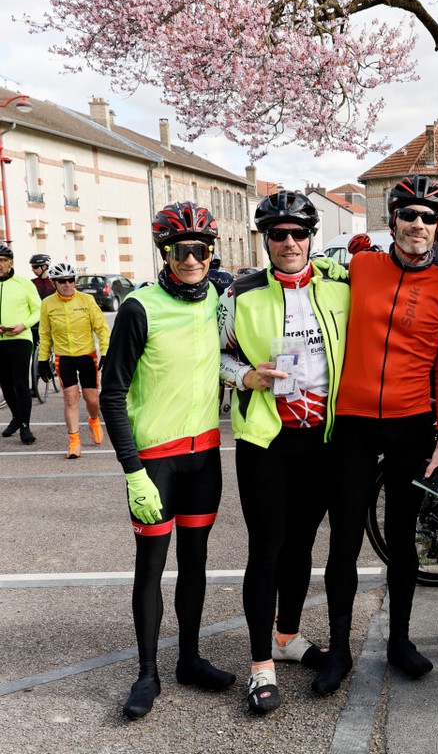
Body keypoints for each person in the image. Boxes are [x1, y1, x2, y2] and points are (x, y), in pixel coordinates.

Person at [315, 174, 438, 695]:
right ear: (393, 220)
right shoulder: (361, 267)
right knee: (345, 538)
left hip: (411, 424)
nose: (418, 224)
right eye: (409, 214)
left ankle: (399, 640)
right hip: (353, 422)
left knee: (402, 537)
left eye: (428, 217)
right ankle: (338, 649)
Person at [101, 202, 235, 720]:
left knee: (195, 563)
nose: (192, 259)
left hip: (204, 458)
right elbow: (112, 394)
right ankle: (146, 674)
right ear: (165, 254)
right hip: (154, 463)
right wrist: (132, 471)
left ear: (211, 252)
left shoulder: (218, 298)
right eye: (181, 251)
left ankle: (190, 660)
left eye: (200, 249)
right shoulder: (140, 307)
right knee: (152, 568)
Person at [218, 190, 350, 714]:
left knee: (302, 545)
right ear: (266, 240)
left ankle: (287, 637)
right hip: (267, 441)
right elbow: (217, 357)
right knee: (267, 549)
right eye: (278, 234)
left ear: (311, 238)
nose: (290, 242)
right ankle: (260, 665)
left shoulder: (339, 287)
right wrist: (246, 376)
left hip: (322, 438)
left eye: (299, 233)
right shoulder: (239, 293)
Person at [37, 262, 110, 459]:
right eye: (62, 281)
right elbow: (45, 334)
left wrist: (105, 352)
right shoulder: (47, 304)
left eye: (70, 280)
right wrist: (42, 360)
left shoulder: (87, 300)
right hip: (64, 357)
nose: (67, 284)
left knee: (91, 398)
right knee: (71, 398)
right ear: (54, 283)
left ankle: (94, 419)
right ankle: (74, 442)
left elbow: (102, 329)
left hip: (87, 355)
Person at [0, 243, 41, 445]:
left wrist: (23, 325)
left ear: (11, 262)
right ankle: (17, 417)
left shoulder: (24, 284)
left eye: (2, 260)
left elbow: (38, 310)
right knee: (5, 385)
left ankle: (25, 426)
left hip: (20, 338)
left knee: (20, 383)